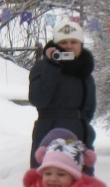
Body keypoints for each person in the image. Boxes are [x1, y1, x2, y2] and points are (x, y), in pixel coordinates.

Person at [29, 20, 96, 168]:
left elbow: (89, 109)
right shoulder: (43, 68)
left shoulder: (85, 72)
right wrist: (53, 65)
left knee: (82, 186)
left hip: (81, 136)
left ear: (81, 45)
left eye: (74, 41)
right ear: (56, 44)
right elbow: (38, 99)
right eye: (64, 42)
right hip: (49, 136)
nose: (69, 46)